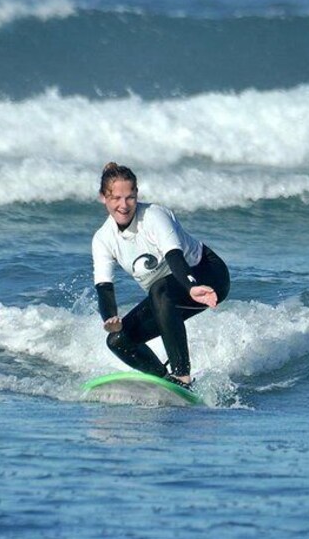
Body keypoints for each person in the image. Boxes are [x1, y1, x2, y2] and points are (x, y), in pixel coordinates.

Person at [92, 163, 230, 389]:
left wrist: (191, 286)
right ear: (103, 198)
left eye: (130, 197)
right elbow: (104, 286)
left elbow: (174, 255)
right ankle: (166, 382)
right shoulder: (103, 239)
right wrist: (109, 319)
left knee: (160, 289)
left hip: (207, 276)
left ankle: (182, 376)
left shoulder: (154, 216)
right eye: (116, 198)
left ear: (137, 194)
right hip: (166, 297)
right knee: (118, 340)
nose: (123, 205)